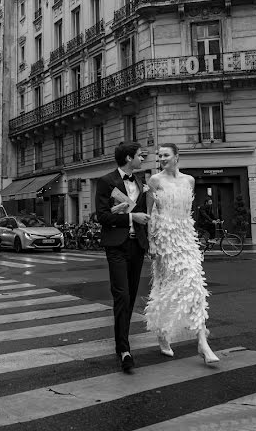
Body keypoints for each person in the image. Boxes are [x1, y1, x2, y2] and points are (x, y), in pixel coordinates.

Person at [144, 142, 220, 365]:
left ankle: (202, 343)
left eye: (166, 155)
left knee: (195, 284)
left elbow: (187, 212)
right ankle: (162, 333)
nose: (162, 158)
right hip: (164, 239)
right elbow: (148, 213)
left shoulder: (190, 180)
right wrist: (151, 242)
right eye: (159, 156)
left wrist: (190, 235)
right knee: (165, 287)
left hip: (186, 238)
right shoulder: (155, 180)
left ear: (177, 156)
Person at [94, 141, 150, 374]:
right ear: (128, 158)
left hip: (137, 246)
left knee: (132, 296)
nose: (142, 159)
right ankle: (124, 350)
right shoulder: (106, 181)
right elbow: (103, 216)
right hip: (116, 246)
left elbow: (146, 215)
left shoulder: (140, 181)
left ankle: (122, 342)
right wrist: (131, 218)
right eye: (140, 155)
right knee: (122, 297)